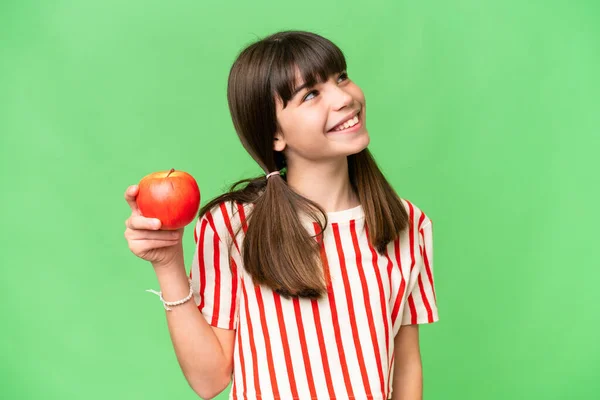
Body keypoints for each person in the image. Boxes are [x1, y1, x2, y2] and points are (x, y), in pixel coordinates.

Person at [124, 30, 438, 400]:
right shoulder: (232, 225)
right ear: (275, 135)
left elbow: (406, 366)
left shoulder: (406, 223)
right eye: (311, 95)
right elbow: (209, 382)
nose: (344, 99)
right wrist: (168, 264)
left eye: (340, 77)